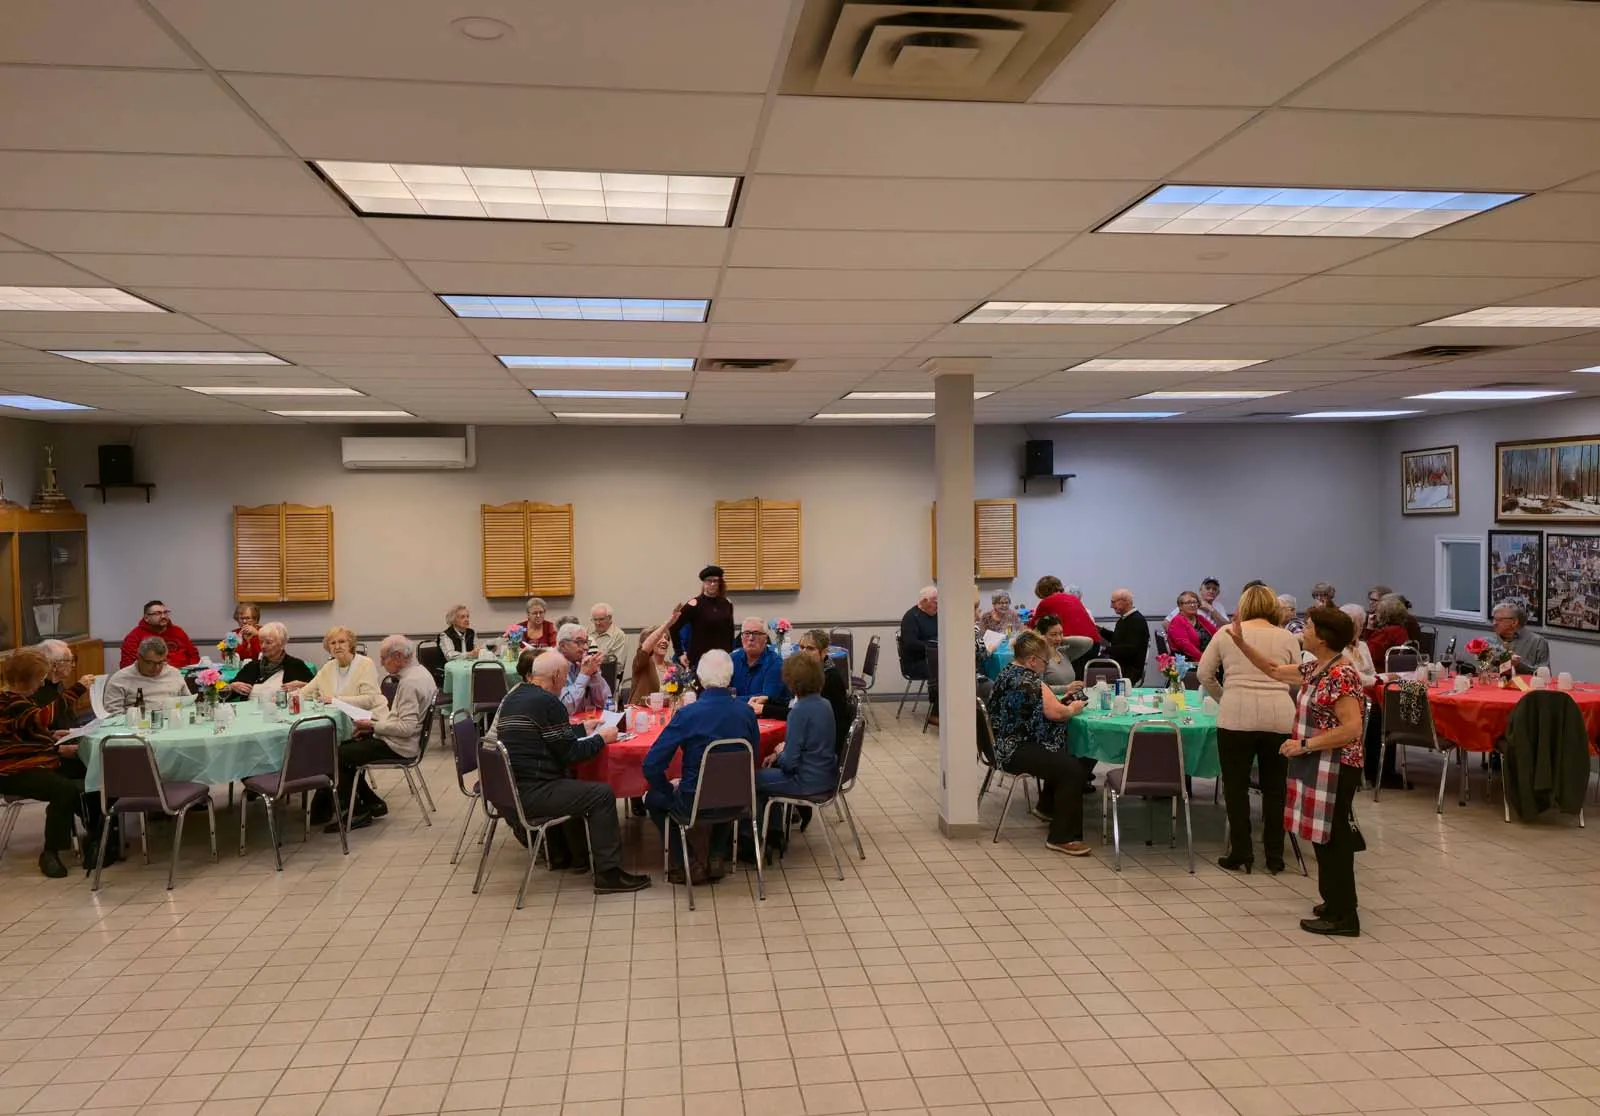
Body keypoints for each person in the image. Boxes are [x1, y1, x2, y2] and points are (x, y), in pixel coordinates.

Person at [1221, 607, 1368, 937]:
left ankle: (1345, 915)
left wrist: (1303, 744)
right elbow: (1273, 670)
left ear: (1325, 638)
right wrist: (1241, 643)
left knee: (1333, 840)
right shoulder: (1318, 668)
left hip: (1337, 766)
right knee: (1321, 837)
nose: (1304, 630)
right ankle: (1332, 902)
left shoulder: (1341, 675)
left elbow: (1351, 730)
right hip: (1319, 762)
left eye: (1311, 627)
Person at [493, 650, 651, 894]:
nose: (565, 683)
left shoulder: (516, 697)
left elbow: (550, 739)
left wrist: (580, 730)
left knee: (577, 780)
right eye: (566, 677)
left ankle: (573, 855)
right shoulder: (548, 702)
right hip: (533, 792)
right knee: (601, 794)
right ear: (556, 676)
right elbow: (570, 755)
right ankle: (608, 874)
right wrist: (601, 738)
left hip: (508, 789)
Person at [1199, 585, 1300, 875]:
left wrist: (1224, 696)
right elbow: (1297, 677)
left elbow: (1205, 674)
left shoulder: (1226, 633)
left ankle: (1241, 852)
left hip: (1236, 716)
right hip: (1279, 717)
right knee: (1275, 789)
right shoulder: (1286, 637)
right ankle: (1275, 856)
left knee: (1236, 787)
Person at [642, 650, 760, 885]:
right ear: (730, 676)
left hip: (693, 802)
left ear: (701, 678)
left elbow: (651, 765)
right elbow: (752, 757)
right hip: (738, 799)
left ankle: (687, 861)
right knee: (727, 782)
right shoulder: (746, 712)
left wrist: (667, 788)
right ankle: (716, 855)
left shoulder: (688, 714)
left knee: (653, 799)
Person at [987, 630, 1091, 856]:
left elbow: (1039, 704)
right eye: (1045, 661)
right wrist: (1073, 708)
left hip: (1004, 743)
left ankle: (1047, 807)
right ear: (1032, 660)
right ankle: (1062, 837)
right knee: (1072, 769)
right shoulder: (1029, 681)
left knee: (1071, 756)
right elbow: (1057, 714)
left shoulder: (1009, 672)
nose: (1047, 666)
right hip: (1015, 749)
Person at [0, 648, 100, 878]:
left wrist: (52, 740)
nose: (42, 683)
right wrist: (78, 689)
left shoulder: (21, 700)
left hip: (35, 760)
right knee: (63, 790)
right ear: (28, 679)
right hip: (12, 769)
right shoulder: (10, 702)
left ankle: (98, 835)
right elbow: (40, 720)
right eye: (40, 678)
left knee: (88, 768)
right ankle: (51, 852)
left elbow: (29, 732)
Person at [329, 635, 438, 830]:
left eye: (383, 658)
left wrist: (373, 726)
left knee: (340, 754)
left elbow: (406, 729)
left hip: (401, 746)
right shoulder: (422, 673)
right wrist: (372, 725)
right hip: (403, 740)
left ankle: (356, 813)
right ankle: (372, 803)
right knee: (348, 747)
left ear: (397, 656)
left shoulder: (409, 683)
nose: (380, 663)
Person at [756, 653, 837, 851]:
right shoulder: (824, 704)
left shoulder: (799, 711)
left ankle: (757, 839)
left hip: (806, 781)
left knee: (752, 779)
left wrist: (780, 753)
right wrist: (779, 753)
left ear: (791, 681)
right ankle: (775, 832)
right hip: (827, 776)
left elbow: (789, 764)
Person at [288, 626, 386, 709]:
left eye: (342, 642)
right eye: (333, 643)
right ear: (328, 647)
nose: (337, 646)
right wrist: (285, 697)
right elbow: (306, 692)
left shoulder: (366, 664)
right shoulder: (328, 667)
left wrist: (335, 701)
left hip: (368, 719)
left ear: (350, 644)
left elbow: (370, 699)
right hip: (339, 718)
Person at [223, 622, 313, 701]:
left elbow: (317, 690)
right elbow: (224, 695)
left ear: (281, 644)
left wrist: (303, 686)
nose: (263, 646)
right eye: (261, 642)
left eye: (268, 642)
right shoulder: (252, 666)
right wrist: (231, 687)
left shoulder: (296, 665)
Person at [103, 636, 188, 715]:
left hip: (171, 721)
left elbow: (188, 703)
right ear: (139, 657)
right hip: (137, 725)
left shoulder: (174, 673)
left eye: (160, 662)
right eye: (150, 662)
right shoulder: (120, 679)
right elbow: (112, 714)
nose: (156, 667)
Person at [674, 565, 735, 669]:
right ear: (703, 582)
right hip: (700, 660)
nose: (712, 584)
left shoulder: (727, 604)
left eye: (715, 581)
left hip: (723, 659)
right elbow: (674, 626)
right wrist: (679, 652)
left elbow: (730, 631)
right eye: (708, 581)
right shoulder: (694, 604)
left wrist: (732, 653)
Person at [732, 617, 789, 718]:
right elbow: (721, 693)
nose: (751, 638)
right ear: (741, 637)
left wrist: (732, 699)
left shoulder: (776, 663)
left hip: (763, 719)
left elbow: (766, 699)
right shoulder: (731, 659)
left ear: (765, 638)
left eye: (756, 633)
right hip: (735, 715)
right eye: (746, 633)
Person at [899, 586, 941, 725]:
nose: (938, 605)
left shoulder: (937, 615)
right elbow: (911, 644)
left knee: (949, 668)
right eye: (935, 602)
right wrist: (933, 647)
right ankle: (935, 713)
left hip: (935, 658)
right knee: (942, 672)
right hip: (916, 662)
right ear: (924, 601)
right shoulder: (911, 617)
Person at [119, 600, 199, 669]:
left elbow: (193, 654)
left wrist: (190, 671)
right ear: (146, 618)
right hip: (152, 680)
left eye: (165, 612)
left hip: (182, 676)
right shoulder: (134, 636)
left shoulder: (178, 631)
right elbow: (127, 666)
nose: (163, 616)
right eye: (158, 613)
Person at [629, 608, 683, 707]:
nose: (665, 641)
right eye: (659, 638)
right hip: (643, 714)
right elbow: (645, 648)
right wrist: (668, 623)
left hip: (666, 715)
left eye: (667, 638)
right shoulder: (642, 662)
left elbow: (677, 697)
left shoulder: (673, 667)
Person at [555, 623, 612, 716]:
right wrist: (584, 675)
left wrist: (594, 674)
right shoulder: (553, 667)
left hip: (586, 722)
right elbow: (565, 708)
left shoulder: (582, 664)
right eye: (579, 642)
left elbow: (606, 702)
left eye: (586, 642)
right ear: (562, 646)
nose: (586, 647)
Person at [1097, 588, 1149, 685]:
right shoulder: (1127, 618)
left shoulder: (1136, 621)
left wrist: (1104, 649)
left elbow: (1129, 650)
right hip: (1123, 664)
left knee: (1090, 665)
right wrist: (1100, 630)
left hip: (1128, 669)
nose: (1111, 606)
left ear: (1125, 602)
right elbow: (1118, 640)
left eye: (1113, 602)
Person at [32, 640, 87, 731]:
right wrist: (78, 688)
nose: (73, 665)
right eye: (69, 660)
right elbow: (48, 719)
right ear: (54, 665)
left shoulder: (57, 683)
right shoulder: (38, 689)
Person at [1033, 576, 1099, 643]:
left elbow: (1031, 627)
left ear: (1043, 592)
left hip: (1074, 645)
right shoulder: (1074, 598)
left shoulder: (1046, 602)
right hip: (1094, 644)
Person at [1490, 601, 1550, 673]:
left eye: (1499, 620)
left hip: (1526, 683)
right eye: (1493, 619)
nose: (1494, 623)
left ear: (1514, 622)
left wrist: (1518, 665)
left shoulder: (1538, 642)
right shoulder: (1492, 641)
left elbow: (1544, 674)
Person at [1363, 594, 1414, 673]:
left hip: (1380, 672)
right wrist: (1370, 627)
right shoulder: (1401, 630)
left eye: (1378, 611)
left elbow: (1368, 655)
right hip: (1396, 671)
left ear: (1383, 614)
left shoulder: (1385, 633)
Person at [1166, 591, 1218, 659]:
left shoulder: (1200, 618)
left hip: (1207, 656)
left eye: (1194, 602)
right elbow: (1186, 647)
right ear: (1180, 606)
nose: (1193, 605)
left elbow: (1216, 633)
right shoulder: (1177, 621)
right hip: (1188, 661)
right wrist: (1205, 659)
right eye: (1188, 602)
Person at [1034, 615, 1078, 687]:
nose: (1058, 638)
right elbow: (1039, 687)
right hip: (1052, 697)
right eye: (1053, 634)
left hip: (1071, 696)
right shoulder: (1039, 657)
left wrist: (1063, 639)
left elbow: (1088, 642)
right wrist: (1066, 688)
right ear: (1042, 635)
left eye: (1061, 633)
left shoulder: (1063, 652)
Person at [1339, 604, 1377, 685]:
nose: (1357, 628)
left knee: (1401, 692)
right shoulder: (1336, 647)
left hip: (1371, 688)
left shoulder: (1362, 645)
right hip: (1351, 690)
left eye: (1360, 625)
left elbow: (1372, 672)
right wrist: (1381, 679)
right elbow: (1355, 677)